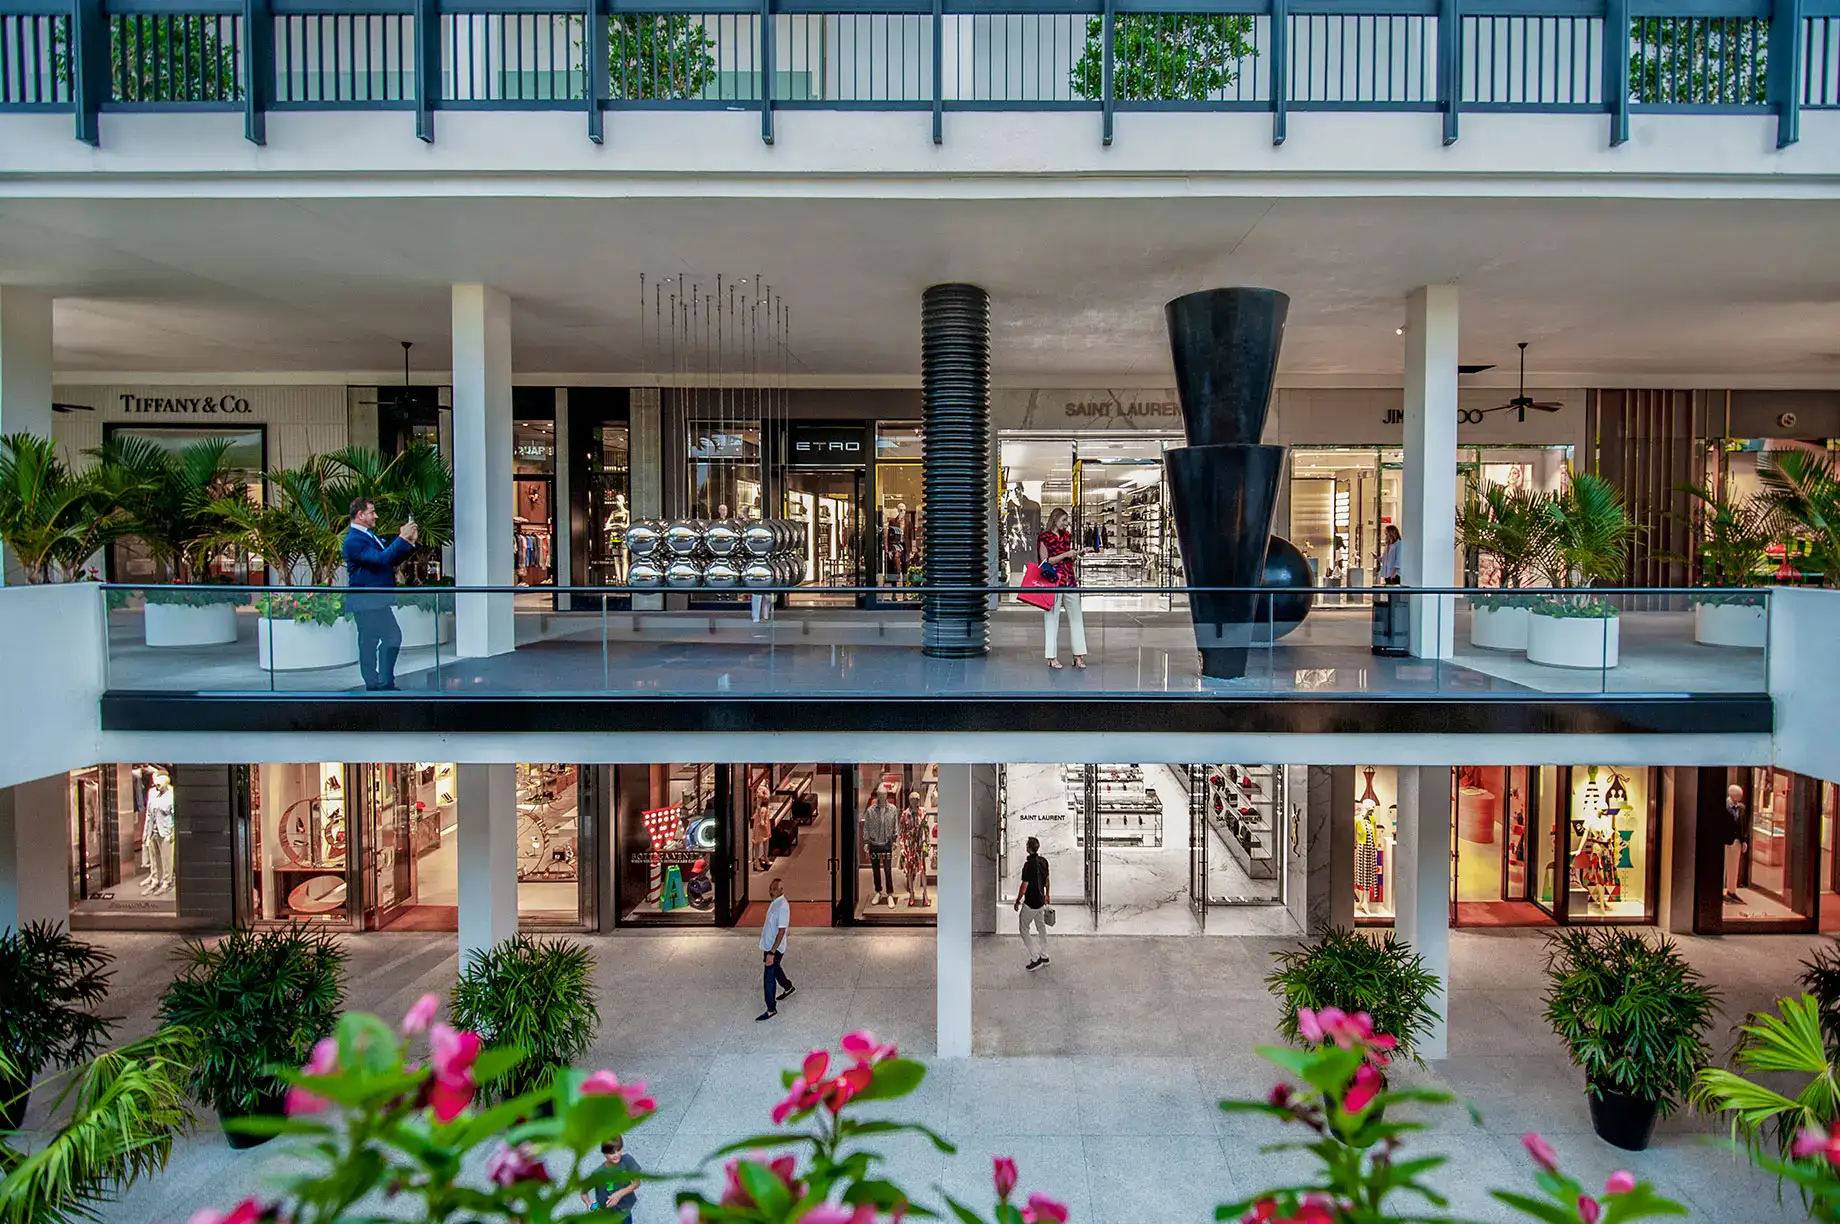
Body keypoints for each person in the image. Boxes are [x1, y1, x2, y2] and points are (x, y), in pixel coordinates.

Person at [342, 496, 419, 691]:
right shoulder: (353, 540)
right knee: (369, 642)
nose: (375, 516)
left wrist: (408, 543)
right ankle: (374, 684)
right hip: (366, 601)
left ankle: (384, 682)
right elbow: (380, 559)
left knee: (391, 637)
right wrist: (401, 538)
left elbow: (389, 560)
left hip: (378, 601)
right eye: (371, 512)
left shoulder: (368, 535)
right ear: (360, 515)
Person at [1038, 508, 1087, 670]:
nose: (1066, 523)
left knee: (1077, 618)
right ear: (1055, 518)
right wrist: (1066, 554)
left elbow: (1069, 558)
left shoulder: (1067, 536)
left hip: (1069, 580)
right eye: (1064, 520)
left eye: (1067, 521)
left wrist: (1077, 554)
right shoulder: (1044, 537)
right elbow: (1046, 561)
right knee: (1051, 619)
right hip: (1053, 581)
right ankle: (1051, 657)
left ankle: (1078, 656)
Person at [757, 877, 795, 1021]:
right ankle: (788, 986)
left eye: (774, 888)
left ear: (781, 890)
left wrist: (772, 952)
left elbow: (781, 931)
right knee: (776, 969)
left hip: (775, 949)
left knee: (768, 978)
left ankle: (771, 1008)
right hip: (768, 946)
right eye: (770, 888)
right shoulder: (775, 903)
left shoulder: (782, 907)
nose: (771, 891)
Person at [580, 1136, 641, 1221]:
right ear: (604, 1153)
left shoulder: (627, 1161)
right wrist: (588, 1204)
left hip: (624, 1210)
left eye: (618, 1150)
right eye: (612, 1152)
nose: (616, 1155)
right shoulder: (598, 1173)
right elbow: (583, 1192)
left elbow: (637, 1183)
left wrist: (619, 1194)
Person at [1014, 835, 1050, 970]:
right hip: (1041, 902)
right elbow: (1047, 880)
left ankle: (1035, 959)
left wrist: (1018, 900)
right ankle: (1044, 955)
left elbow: (1024, 885)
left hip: (1031, 903)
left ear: (1028, 848)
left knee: (1024, 929)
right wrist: (1047, 895)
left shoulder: (1028, 865)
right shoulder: (1044, 861)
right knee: (1041, 928)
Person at [862, 784, 901, 907]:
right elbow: (866, 827)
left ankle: (890, 893)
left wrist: (895, 840)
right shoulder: (870, 810)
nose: (881, 797)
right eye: (879, 795)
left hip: (887, 843)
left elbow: (895, 826)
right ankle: (878, 891)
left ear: (886, 796)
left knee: (888, 870)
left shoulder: (893, 809)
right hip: (874, 844)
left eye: (883, 795)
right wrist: (866, 842)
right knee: (875, 870)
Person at [144, 771, 175, 894]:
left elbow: (175, 815)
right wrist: (147, 833)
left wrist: (173, 832)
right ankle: (155, 880)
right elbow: (149, 815)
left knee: (166, 858)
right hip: (154, 832)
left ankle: (166, 881)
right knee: (154, 858)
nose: (156, 787)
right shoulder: (154, 796)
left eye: (159, 785)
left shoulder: (172, 796)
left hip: (165, 832)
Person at [898, 790, 930, 907]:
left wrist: (927, 844)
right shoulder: (905, 814)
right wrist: (902, 847)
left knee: (922, 870)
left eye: (917, 799)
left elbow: (926, 829)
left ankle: (925, 895)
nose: (915, 801)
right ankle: (911, 893)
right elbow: (901, 832)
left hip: (920, 844)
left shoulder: (923, 812)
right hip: (910, 844)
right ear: (909, 801)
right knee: (910, 871)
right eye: (912, 799)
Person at [1723, 783, 1749, 903]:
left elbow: (1743, 825)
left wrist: (1744, 840)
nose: (1739, 797)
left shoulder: (1741, 808)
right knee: (1723, 866)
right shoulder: (1724, 806)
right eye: (1737, 795)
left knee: (1734, 866)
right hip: (1726, 840)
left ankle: (1731, 890)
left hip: (1737, 841)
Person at [750, 785, 774, 872]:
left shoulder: (766, 788)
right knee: (758, 840)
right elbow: (758, 807)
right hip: (761, 817)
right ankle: (756, 862)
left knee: (766, 838)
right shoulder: (760, 792)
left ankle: (765, 856)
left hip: (765, 815)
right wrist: (761, 820)